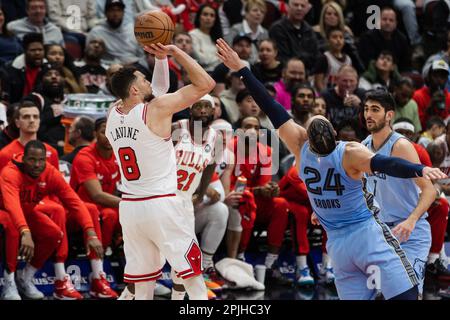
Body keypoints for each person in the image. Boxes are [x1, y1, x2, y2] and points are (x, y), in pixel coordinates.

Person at [215, 38, 447, 299]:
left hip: (338, 243)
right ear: (334, 132)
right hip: (366, 235)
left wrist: (243, 69)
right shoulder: (348, 151)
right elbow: (385, 163)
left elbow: (272, 108)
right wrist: (419, 168)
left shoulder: (301, 146)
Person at [106, 42, 215, 300]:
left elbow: (158, 90)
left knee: (142, 286)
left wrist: (160, 59)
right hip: (162, 204)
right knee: (192, 275)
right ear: (134, 89)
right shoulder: (156, 110)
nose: (148, 83)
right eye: (143, 80)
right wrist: (175, 53)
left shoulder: (113, 113)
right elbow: (205, 84)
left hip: (131, 208)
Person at [0, 140, 106, 300]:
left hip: (26, 211)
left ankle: (25, 277)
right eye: (32, 160)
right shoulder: (11, 172)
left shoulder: (50, 173)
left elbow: (75, 202)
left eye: (41, 160)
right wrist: (25, 231)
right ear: (24, 159)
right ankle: (9, 281)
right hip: (4, 211)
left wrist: (90, 233)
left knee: (54, 233)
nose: (37, 164)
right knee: (14, 229)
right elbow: (12, 206)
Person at [361, 90, 435, 295]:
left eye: (375, 110)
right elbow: (355, 189)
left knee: (410, 294)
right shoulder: (363, 146)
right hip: (380, 233)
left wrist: (411, 220)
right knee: (377, 294)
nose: (369, 114)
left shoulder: (400, 146)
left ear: (389, 115)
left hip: (410, 232)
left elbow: (430, 190)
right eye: (366, 109)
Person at [170, 94, 227, 300]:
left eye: (207, 107)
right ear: (190, 109)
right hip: (164, 197)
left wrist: (201, 194)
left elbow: (210, 166)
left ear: (213, 112)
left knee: (186, 251)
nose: (202, 111)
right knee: (167, 251)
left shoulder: (216, 138)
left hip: (185, 199)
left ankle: (189, 290)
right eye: (198, 107)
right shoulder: (177, 128)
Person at [70, 117, 121, 253]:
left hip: (108, 205)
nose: (110, 136)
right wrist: (130, 203)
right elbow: (96, 195)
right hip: (82, 207)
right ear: (94, 134)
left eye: (114, 131)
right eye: (105, 132)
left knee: (142, 212)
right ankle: (100, 255)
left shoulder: (121, 154)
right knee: (111, 214)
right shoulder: (84, 157)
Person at [0, 100, 59, 172]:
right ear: (17, 122)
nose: (32, 120)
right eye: (26, 117)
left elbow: (56, 182)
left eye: (35, 117)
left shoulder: (51, 152)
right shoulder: (5, 154)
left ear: (39, 121)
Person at [268, 0, 319, 75]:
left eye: (302, 6)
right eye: (296, 5)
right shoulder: (277, 28)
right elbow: (282, 57)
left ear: (307, 9)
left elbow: (315, 56)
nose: (299, 8)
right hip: (285, 74)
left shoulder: (309, 30)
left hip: (307, 74)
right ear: (287, 7)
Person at [87, 0, 145, 65]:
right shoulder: (96, 32)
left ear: (123, 13)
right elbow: (89, 57)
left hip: (134, 66)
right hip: (108, 68)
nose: (115, 14)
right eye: (112, 10)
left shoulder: (132, 30)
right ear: (106, 13)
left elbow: (141, 56)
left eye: (119, 10)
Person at [357, 7, 411, 72]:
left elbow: (405, 64)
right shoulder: (367, 38)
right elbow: (366, 63)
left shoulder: (402, 39)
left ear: (396, 24)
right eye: (384, 19)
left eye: (391, 20)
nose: (387, 22)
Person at [0, 32, 44, 104]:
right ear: (25, 51)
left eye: (40, 50)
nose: (37, 53)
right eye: (33, 50)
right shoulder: (10, 70)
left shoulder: (48, 69)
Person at [413, 59, 450, 129]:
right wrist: (430, 107)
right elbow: (417, 126)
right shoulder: (417, 96)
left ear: (446, 80)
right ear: (429, 77)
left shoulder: (449, 97)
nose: (439, 79)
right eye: (435, 76)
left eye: (443, 76)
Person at [314, 27, 352, 93]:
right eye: (334, 37)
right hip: (327, 94)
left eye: (341, 37)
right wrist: (325, 96)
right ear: (328, 40)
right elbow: (318, 82)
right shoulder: (324, 58)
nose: (338, 40)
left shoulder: (348, 59)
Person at [189, 4, 223, 72]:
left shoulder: (217, 37)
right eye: (205, 14)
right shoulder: (193, 34)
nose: (208, 18)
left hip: (219, 72)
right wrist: (219, 59)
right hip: (202, 72)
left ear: (215, 20)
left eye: (212, 15)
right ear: (199, 17)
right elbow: (201, 60)